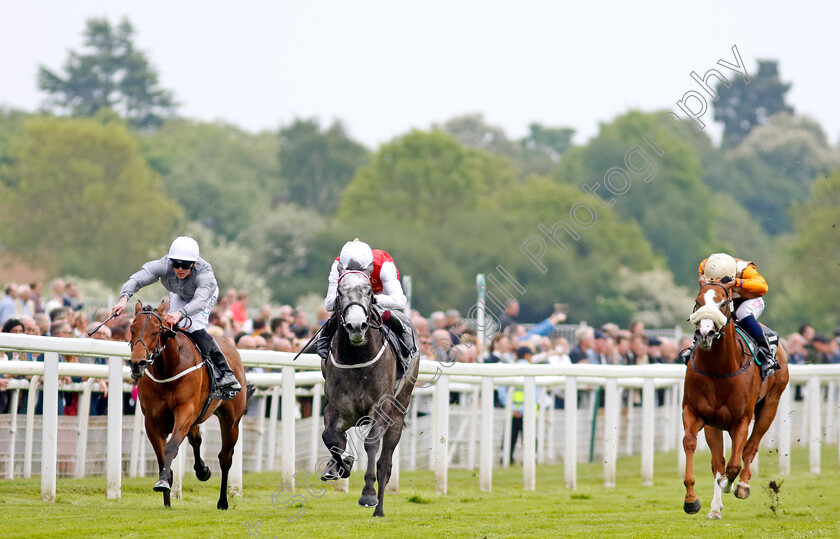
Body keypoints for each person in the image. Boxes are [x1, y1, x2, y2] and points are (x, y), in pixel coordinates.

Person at [110, 236, 241, 400]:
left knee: (193, 328)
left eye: (185, 265)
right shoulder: (163, 265)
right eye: (176, 264)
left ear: (193, 264)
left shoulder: (204, 274)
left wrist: (180, 314)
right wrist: (123, 299)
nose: (179, 268)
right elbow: (137, 279)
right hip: (180, 293)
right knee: (169, 328)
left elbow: (200, 302)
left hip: (202, 297)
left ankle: (226, 373)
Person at [317, 239, 416, 375]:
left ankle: (403, 333)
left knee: (374, 310)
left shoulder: (383, 264)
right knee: (344, 311)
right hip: (350, 298)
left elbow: (399, 300)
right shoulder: (338, 265)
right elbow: (329, 304)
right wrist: (348, 298)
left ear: (369, 266)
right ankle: (325, 338)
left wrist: (372, 299)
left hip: (378, 296)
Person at [686, 252, 779, 379]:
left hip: (748, 300)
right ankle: (694, 346)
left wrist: (736, 282)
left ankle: (766, 354)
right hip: (724, 300)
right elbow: (701, 273)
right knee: (706, 310)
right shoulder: (707, 265)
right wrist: (701, 279)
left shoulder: (746, 269)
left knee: (742, 313)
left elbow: (763, 286)